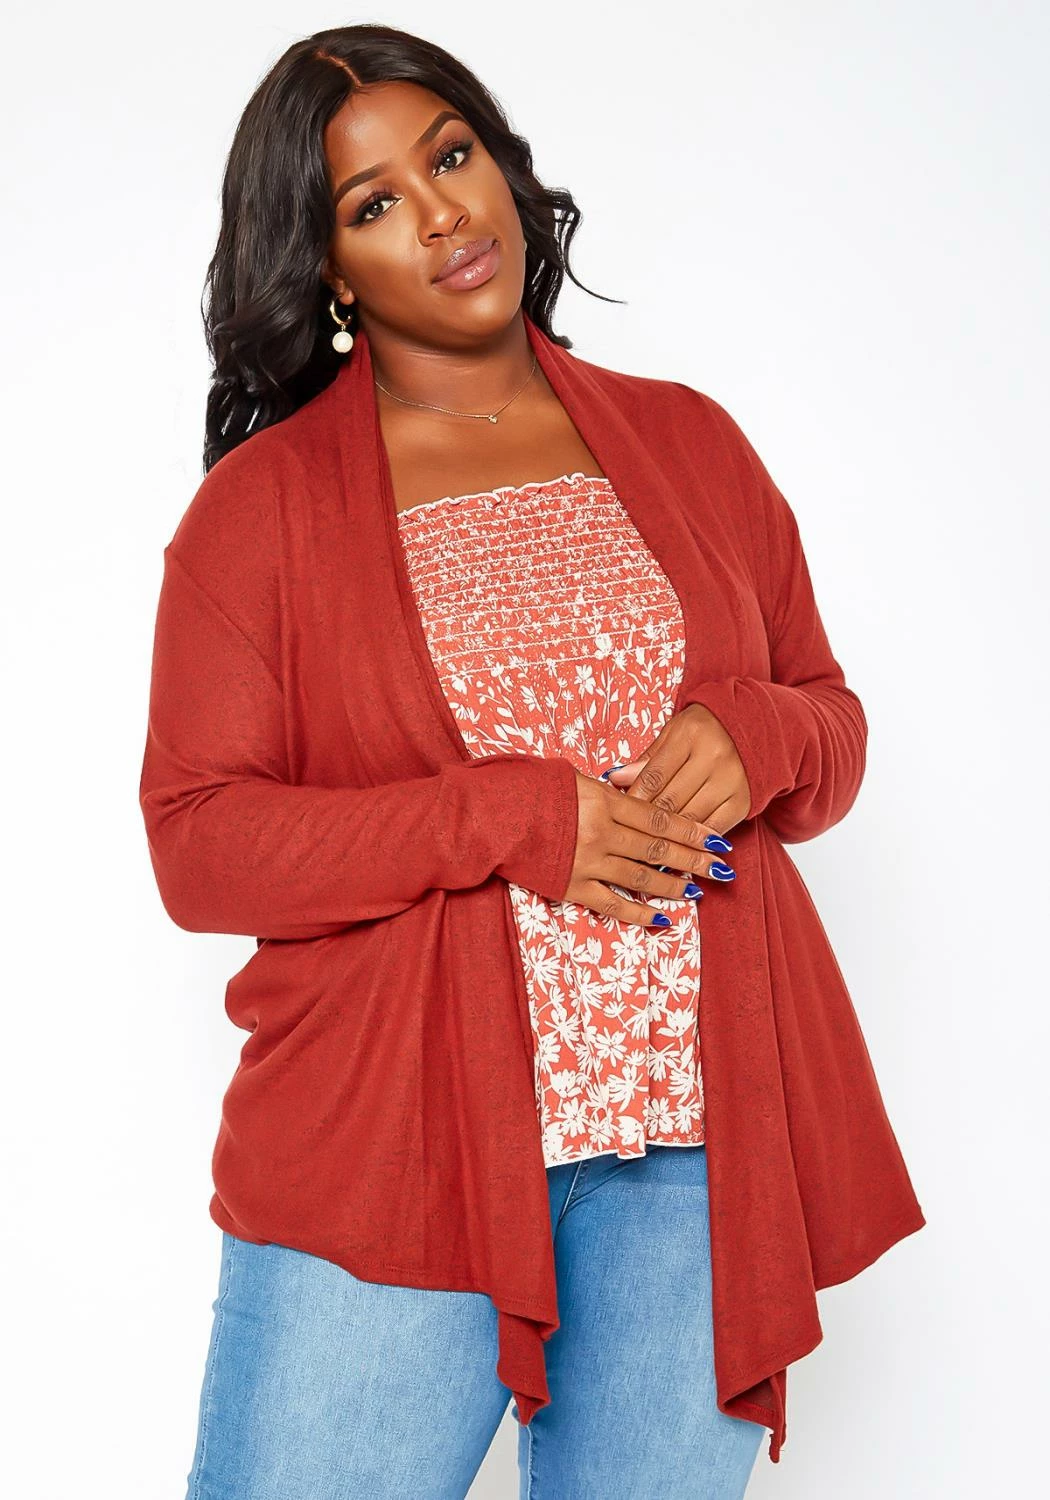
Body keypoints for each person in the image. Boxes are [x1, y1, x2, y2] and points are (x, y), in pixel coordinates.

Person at [139, 22, 925, 1500]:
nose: (442, 215)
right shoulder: (261, 513)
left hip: (690, 1146)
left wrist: (757, 735)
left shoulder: (689, 443)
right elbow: (200, 843)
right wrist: (501, 818)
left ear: (502, 165)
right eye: (374, 202)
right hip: (398, 1155)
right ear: (325, 268)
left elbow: (828, 723)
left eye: (451, 155)